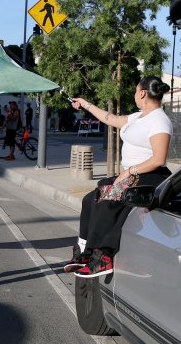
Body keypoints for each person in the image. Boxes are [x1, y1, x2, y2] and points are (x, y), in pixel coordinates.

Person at [65, 76, 173, 278]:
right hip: (132, 174)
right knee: (90, 200)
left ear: (142, 93)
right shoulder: (137, 117)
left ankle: (103, 257)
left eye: (135, 90)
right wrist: (85, 103)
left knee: (109, 200)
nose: (134, 94)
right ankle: (83, 251)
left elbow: (159, 159)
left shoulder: (159, 120)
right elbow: (109, 118)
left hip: (148, 176)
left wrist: (129, 171)